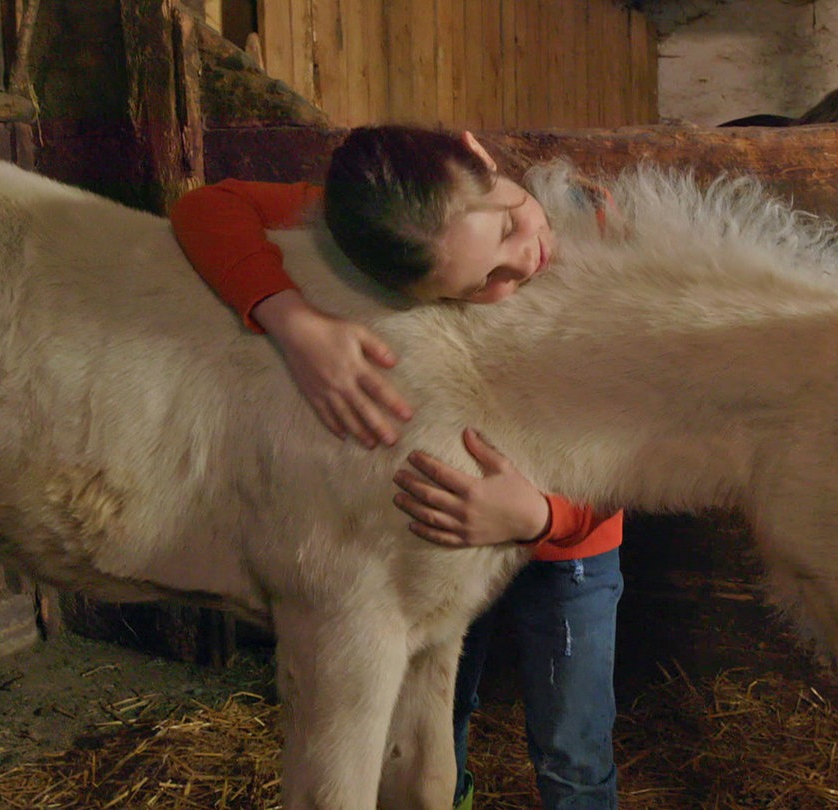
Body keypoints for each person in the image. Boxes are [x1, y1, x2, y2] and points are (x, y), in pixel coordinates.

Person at [170, 125, 624, 810]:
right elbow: (205, 208)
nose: (522, 265)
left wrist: (541, 516)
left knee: (573, 740)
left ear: (478, 155)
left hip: (574, 546)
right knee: (441, 711)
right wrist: (292, 320)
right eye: (483, 286)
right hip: (450, 530)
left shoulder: (599, 234)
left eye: (507, 228)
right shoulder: (376, 229)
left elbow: (623, 437)